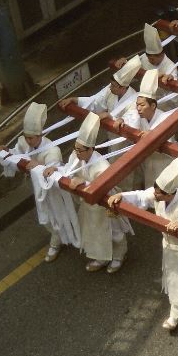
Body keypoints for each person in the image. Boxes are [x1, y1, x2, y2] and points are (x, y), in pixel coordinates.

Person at [109, 157, 178, 330]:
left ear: (170, 193)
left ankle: (176, 314)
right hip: (169, 244)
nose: (154, 195)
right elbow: (141, 196)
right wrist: (122, 196)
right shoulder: (160, 193)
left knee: (177, 281)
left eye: (158, 193)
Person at [58, 114, 132, 273]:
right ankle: (101, 257)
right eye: (75, 149)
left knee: (114, 231)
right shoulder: (76, 156)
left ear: (91, 149)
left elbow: (102, 187)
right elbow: (68, 170)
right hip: (88, 204)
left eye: (80, 150)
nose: (76, 153)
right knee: (94, 231)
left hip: (106, 202)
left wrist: (83, 183)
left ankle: (119, 255)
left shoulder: (101, 166)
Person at [0, 103, 65, 260]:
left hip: (52, 188)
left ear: (40, 135)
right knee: (46, 214)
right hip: (37, 186)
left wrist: (39, 167)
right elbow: (17, 156)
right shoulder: (24, 142)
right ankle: (59, 236)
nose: (28, 141)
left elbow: (54, 173)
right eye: (26, 137)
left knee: (55, 213)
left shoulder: (52, 151)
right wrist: (5, 152)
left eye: (31, 138)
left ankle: (56, 241)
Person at [59, 56, 141, 116]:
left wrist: (111, 118)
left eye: (113, 86)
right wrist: (74, 100)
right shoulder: (110, 90)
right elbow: (95, 102)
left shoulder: (134, 100)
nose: (109, 87)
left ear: (122, 88)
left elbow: (131, 122)